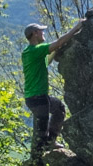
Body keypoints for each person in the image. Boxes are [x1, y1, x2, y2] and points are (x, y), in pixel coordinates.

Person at [21, 21, 82, 150]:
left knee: (59, 108)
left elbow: (47, 60)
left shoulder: (29, 51)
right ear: (35, 33)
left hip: (36, 97)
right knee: (40, 134)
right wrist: (76, 28)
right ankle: (37, 162)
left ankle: (50, 142)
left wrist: (57, 49)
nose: (43, 33)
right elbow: (58, 42)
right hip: (38, 98)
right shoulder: (35, 50)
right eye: (41, 31)